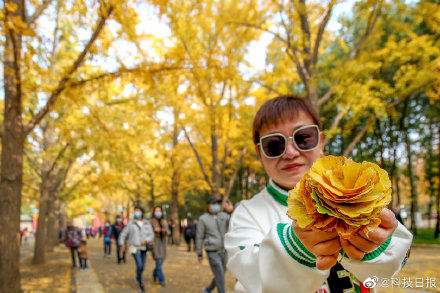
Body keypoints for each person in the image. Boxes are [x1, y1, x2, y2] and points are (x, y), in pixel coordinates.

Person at [224, 95, 413, 292]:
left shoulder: (358, 193)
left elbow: (390, 267)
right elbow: (251, 274)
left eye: (303, 138)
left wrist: (376, 244)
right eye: (274, 145)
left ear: (320, 141)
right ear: (260, 154)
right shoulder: (248, 213)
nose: (290, 152)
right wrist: (296, 246)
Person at [196, 196, 234, 293]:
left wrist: (231, 211)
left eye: (218, 204)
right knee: (220, 276)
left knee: (220, 273)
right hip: (212, 251)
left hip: (223, 251)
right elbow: (199, 237)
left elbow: (234, 222)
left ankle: (208, 289)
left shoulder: (224, 216)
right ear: (208, 205)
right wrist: (199, 253)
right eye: (213, 204)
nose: (216, 206)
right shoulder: (203, 219)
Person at [119, 206, 154, 292]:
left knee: (143, 266)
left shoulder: (147, 223)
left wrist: (146, 240)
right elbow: (123, 234)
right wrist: (122, 244)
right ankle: (140, 284)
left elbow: (151, 234)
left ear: (142, 212)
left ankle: (138, 276)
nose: (136, 212)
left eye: (138, 211)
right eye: (135, 211)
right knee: (139, 265)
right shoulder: (131, 223)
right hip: (134, 247)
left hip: (143, 247)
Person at [151, 206, 168, 287]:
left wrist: (166, 231)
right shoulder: (151, 221)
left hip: (163, 244)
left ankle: (154, 274)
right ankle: (162, 280)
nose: (158, 212)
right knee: (158, 260)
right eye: (156, 211)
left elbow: (168, 232)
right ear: (154, 212)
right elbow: (148, 232)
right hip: (155, 244)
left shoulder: (164, 222)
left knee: (160, 262)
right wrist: (154, 231)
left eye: (159, 211)